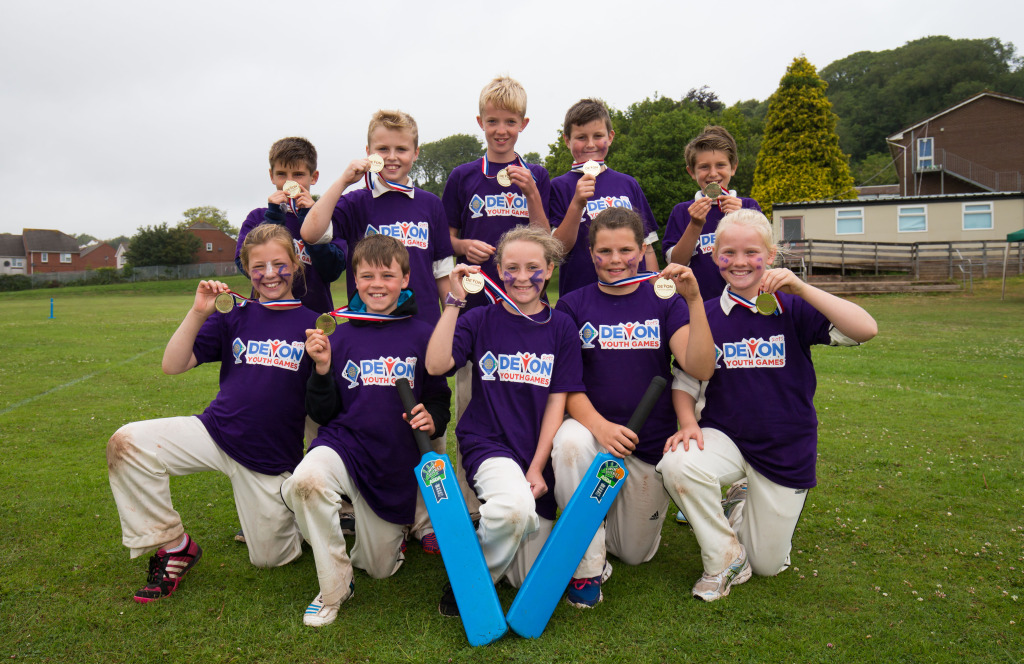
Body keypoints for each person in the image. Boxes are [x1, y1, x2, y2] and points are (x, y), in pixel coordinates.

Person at [658, 209, 878, 602]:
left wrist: (803, 289)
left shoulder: (791, 306)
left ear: (771, 256)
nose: (739, 262)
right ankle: (723, 559)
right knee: (677, 462)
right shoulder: (704, 313)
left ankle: (740, 503)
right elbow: (686, 381)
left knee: (768, 565)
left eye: (751, 252)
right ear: (714, 257)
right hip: (726, 437)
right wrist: (687, 421)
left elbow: (865, 329)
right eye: (728, 252)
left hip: (784, 447)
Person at [107, 224, 317, 603]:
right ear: (247, 269)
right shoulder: (232, 314)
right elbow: (173, 365)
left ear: (296, 264)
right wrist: (197, 312)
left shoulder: (315, 325)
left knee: (272, 560)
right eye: (259, 266)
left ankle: (289, 510)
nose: (269, 274)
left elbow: (326, 403)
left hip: (269, 457)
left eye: (279, 264)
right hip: (215, 432)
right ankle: (174, 546)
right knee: (128, 442)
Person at [282, 235, 451, 627]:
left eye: (388, 275)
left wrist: (434, 418)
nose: (377, 284)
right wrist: (322, 371)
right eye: (367, 275)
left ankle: (386, 536)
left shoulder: (423, 333)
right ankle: (335, 585)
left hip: (393, 462)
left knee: (378, 568)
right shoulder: (338, 334)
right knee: (306, 481)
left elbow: (439, 400)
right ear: (354, 281)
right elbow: (322, 413)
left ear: (405, 279)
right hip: (344, 446)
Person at [551, 207, 715, 608]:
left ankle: (601, 519)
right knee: (569, 444)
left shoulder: (664, 301)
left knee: (634, 554)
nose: (615, 260)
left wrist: (693, 301)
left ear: (642, 251)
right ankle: (587, 569)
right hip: (593, 430)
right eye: (604, 251)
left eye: (625, 250)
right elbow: (566, 384)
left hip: (647, 440)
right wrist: (601, 428)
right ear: (591, 254)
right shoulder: (572, 306)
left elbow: (700, 367)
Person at [425, 226, 584, 618]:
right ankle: (469, 578)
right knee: (514, 512)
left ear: (549, 270)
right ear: (497, 270)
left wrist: (536, 465)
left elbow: (556, 402)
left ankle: (484, 554)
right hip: (489, 442)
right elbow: (436, 365)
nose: (523, 276)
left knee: (524, 573)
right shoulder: (480, 319)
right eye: (511, 267)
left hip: (534, 452)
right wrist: (453, 303)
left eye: (533, 267)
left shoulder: (561, 326)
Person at [441, 75, 552, 515]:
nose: (501, 129)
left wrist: (532, 193)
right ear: (480, 122)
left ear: (523, 123)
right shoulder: (463, 176)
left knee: (527, 399)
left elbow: (548, 240)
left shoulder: (537, 174)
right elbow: (444, 238)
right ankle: (475, 504)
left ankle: (528, 487)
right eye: (492, 121)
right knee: (472, 404)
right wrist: (464, 247)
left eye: (509, 121)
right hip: (477, 309)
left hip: (526, 309)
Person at [301, 110, 454, 328]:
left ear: (416, 153)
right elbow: (310, 233)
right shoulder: (355, 203)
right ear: (368, 152)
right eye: (382, 149)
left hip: (423, 328)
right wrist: (343, 182)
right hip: (368, 329)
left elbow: (443, 273)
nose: (392, 157)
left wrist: (449, 327)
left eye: (401, 149)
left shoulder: (431, 204)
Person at [549, 98, 659, 296]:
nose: (590, 144)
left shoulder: (628, 184)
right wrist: (576, 204)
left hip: (634, 294)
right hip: (580, 297)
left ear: (610, 137)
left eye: (598, 136)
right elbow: (558, 252)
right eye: (581, 137)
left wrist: (656, 292)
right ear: (567, 140)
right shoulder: (558, 186)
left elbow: (647, 247)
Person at [235, 136, 347, 315]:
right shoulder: (257, 217)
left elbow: (332, 271)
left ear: (314, 177)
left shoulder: (329, 219)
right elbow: (245, 266)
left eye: (298, 175)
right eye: (281, 174)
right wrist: (273, 218)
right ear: (271, 176)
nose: (290, 183)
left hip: (314, 318)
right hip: (265, 315)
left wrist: (311, 219)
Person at [662, 126, 762, 297]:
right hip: (697, 306)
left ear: (733, 167)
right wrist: (695, 224)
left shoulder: (749, 206)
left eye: (721, 165)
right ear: (691, 172)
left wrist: (741, 219)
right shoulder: (682, 211)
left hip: (746, 301)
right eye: (704, 167)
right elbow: (676, 263)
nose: (713, 173)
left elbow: (764, 256)